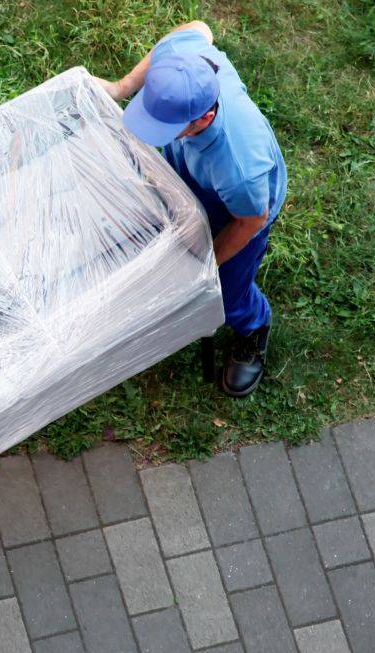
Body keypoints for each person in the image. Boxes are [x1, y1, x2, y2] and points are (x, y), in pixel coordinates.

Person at [99, 20, 289, 398]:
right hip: (191, 164)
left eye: (164, 126)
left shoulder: (238, 169)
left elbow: (251, 220)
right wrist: (122, 87)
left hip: (238, 211)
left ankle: (253, 328)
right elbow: (197, 28)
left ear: (204, 118)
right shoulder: (184, 61)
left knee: (225, 289)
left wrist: (206, 264)